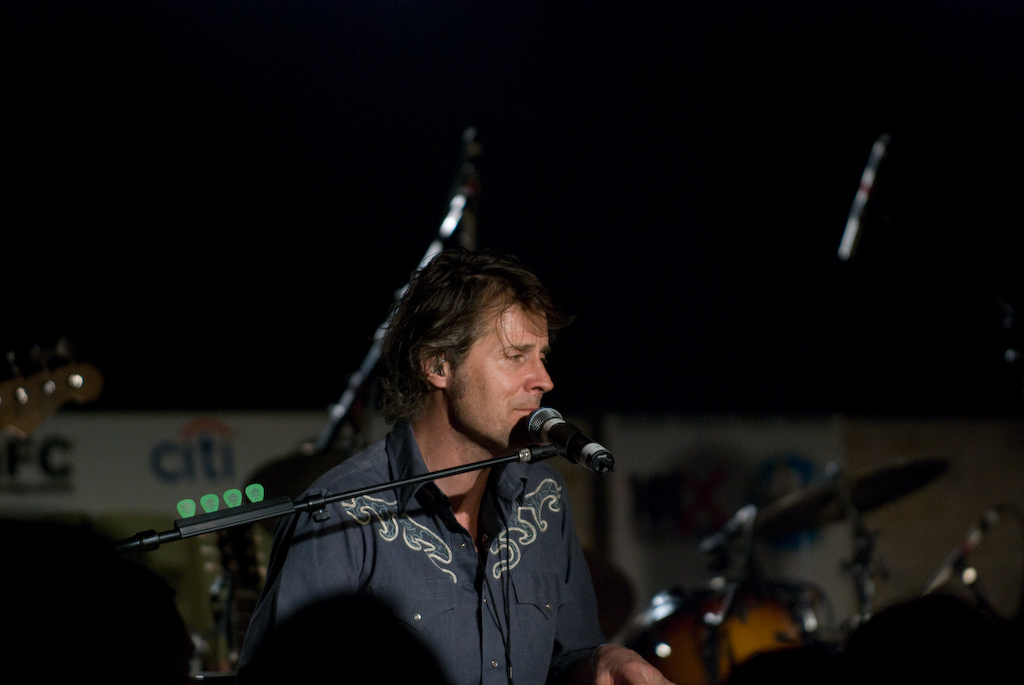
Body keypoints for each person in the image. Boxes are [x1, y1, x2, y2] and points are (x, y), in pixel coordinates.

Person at [236, 249, 675, 685]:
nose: (544, 379)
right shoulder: (338, 514)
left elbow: (567, 655)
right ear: (438, 364)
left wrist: (601, 661)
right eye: (515, 356)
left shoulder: (543, 497)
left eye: (542, 356)